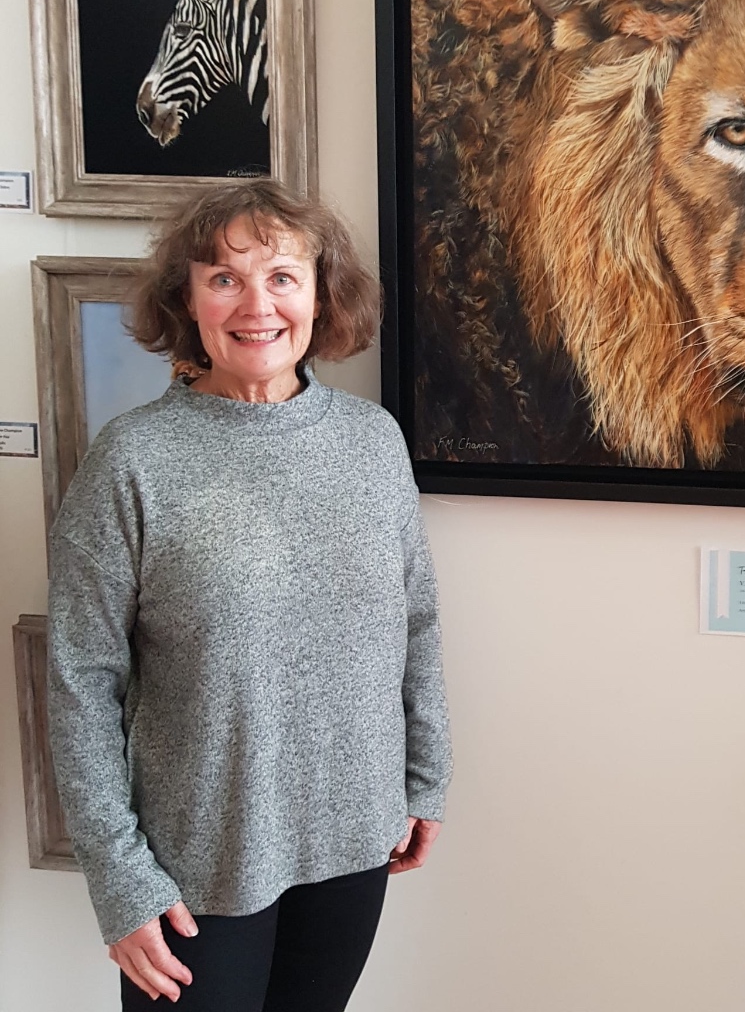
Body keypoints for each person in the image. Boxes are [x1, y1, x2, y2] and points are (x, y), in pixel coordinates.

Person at [46, 180, 451, 1010]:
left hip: (352, 842)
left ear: (319, 294)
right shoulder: (133, 462)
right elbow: (80, 684)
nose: (256, 304)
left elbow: (417, 624)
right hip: (198, 868)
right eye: (224, 278)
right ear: (186, 301)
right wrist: (120, 879)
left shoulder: (373, 444)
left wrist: (426, 779)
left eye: (281, 277)